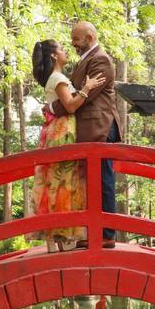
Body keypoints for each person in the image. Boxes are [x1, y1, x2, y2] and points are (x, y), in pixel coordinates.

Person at [47, 21, 120, 248]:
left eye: (76, 39)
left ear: (89, 37)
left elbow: (77, 98)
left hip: (100, 128)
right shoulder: (86, 59)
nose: (72, 43)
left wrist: (51, 108)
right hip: (91, 129)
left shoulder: (100, 60)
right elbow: (76, 92)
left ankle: (106, 234)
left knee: (103, 179)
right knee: (92, 181)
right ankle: (95, 231)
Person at [30, 39, 105, 251]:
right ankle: (56, 238)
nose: (66, 51)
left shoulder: (59, 77)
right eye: (62, 49)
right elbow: (71, 106)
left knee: (58, 182)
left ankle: (57, 239)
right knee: (61, 183)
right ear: (54, 55)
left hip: (61, 130)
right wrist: (87, 88)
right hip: (62, 131)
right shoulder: (58, 78)